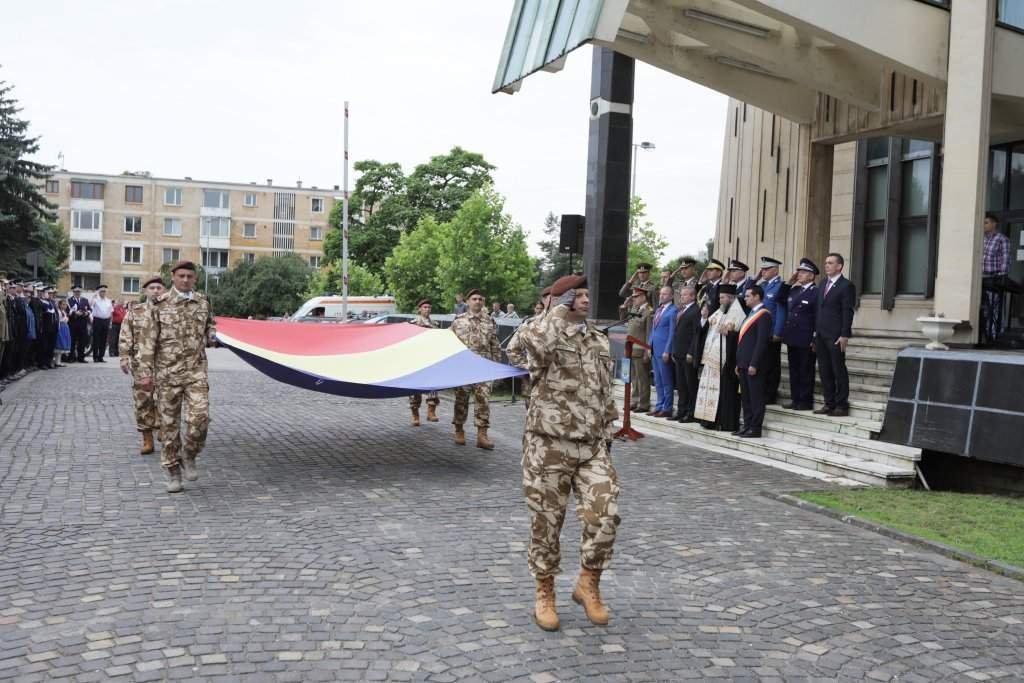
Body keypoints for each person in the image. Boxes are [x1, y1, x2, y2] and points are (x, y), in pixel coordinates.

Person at [517, 274, 620, 631]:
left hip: (591, 446)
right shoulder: (540, 329)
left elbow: (605, 392)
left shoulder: (599, 341)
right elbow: (531, 352)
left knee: (605, 513)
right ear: (561, 299)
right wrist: (554, 313)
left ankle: (588, 582)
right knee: (547, 524)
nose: (586, 300)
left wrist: (608, 430)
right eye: (578, 294)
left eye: (589, 294)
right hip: (548, 445)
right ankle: (544, 591)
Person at [137, 261, 217, 493]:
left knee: (200, 418)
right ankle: (173, 472)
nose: (185, 280)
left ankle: (189, 453)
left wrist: (212, 334)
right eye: (181, 276)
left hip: (195, 372)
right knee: (169, 428)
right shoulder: (158, 305)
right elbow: (147, 341)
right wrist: (145, 373)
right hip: (167, 375)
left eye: (189, 276)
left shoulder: (202, 302)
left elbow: (210, 324)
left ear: (195, 279)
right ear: (173, 277)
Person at [450, 289, 501, 450]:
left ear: (483, 302)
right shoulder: (458, 321)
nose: (477, 301)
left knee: (483, 400)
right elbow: (449, 345)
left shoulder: (489, 321)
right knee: (461, 400)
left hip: (483, 367)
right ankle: (459, 429)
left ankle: (482, 435)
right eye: (474, 299)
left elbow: (495, 345)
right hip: (463, 367)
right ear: (468, 302)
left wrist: (497, 367)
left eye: (480, 299)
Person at [120, 276, 166, 455]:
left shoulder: (170, 310)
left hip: (166, 363)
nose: (156, 291)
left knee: (166, 398)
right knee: (143, 400)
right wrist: (124, 357)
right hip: (141, 364)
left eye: (159, 288)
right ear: (145, 291)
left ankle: (164, 429)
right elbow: (126, 335)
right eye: (152, 288)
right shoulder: (135, 311)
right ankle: (147, 439)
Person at [693, 285, 744, 431]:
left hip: (724, 360)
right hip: (711, 358)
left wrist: (728, 333)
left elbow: (735, 335)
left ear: (731, 298)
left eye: (722, 297)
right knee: (709, 391)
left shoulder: (737, 313)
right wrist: (703, 317)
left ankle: (722, 421)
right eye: (720, 297)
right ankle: (708, 420)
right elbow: (707, 326)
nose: (720, 300)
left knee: (722, 393)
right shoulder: (720, 311)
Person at [815, 253, 856, 417]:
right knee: (824, 370)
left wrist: (844, 334)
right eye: (826, 262)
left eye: (830, 263)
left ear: (839, 266)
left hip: (835, 335)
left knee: (838, 370)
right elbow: (819, 310)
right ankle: (829, 402)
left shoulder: (846, 286)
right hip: (820, 334)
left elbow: (848, 311)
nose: (826, 265)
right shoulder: (823, 283)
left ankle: (841, 405)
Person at [736, 285, 773, 438]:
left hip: (754, 364)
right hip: (744, 362)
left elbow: (761, 341)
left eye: (748, 296)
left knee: (756, 397)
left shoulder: (764, 314)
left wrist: (754, 363)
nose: (745, 298)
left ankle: (755, 428)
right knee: (746, 397)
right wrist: (739, 363)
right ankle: (747, 424)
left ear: (757, 296)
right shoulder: (751, 313)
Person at [782, 259, 819, 411]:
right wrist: (788, 283)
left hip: (806, 337)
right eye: (799, 272)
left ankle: (805, 401)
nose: (799, 274)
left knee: (806, 370)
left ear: (811, 276)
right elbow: (780, 298)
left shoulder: (816, 292)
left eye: (803, 272)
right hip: (792, 336)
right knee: (794, 369)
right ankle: (795, 398)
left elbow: (818, 316)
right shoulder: (794, 290)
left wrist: (815, 338)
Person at [507, 287, 552, 410]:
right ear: (545, 300)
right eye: (552, 297)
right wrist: (528, 366)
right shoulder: (531, 324)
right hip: (534, 385)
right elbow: (512, 350)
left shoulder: (572, 324)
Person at [756, 256, 787, 405]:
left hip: (771, 333)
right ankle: (762, 391)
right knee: (761, 363)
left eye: (766, 269)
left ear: (775, 270)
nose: (763, 271)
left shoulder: (780, 286)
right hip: (760, 331)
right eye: (762, 268)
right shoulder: (762, 286)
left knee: (772, 364)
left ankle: (770, 393)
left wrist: (778, 332)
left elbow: (781, 311)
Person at [671, 285, 702, 422]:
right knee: (681, 384)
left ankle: (691, 412)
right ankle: (681, 410)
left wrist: (691, 352)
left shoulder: (696, 310)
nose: (682, 297)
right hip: (679, 352)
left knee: (690, 384)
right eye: (681, 295)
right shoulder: (682, 310)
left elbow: (696, 334)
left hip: (688, 354)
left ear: (692, 296)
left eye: (685, 295)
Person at [408, 299, 440, 426]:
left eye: (429, 307)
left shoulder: (435, 324)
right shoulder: (414, 324)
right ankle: (415, 415)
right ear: (419, 309)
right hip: (416, 359)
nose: (427, 309)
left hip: (431, 358)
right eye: (425, 307)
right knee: (415, 387)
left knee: (433, 386)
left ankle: (431, 412)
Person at [981, 212, 1012, 344]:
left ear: (994, 224)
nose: (983, 225)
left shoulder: (1001, 239)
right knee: (984, 309)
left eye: (986, 222)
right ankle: (985, 336)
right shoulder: (981, 239)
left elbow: (1005, 259)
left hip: (994, 279)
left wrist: (1001, 277)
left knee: (995, 309)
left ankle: (995, 337)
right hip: (981, 279)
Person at [621, 287, 653, 413]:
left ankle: (644, 403)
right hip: (630, 348)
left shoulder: (648, 312)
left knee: (642, 378)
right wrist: (624, 307)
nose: (633, 299)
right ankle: (634, 400)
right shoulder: (634, 309)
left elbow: (648, 332)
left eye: (636, 297)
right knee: (633, 377)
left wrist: (647, 351)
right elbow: (622, 320)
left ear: (643, 297)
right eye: (633, 297)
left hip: (640, 349)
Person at [647, 285, 676, 418]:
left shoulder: (673, 310)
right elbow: (653, 330)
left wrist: (668, 350)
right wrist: (649, 346)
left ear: (671, 296)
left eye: (665, 294)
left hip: (664, 350)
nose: (661, 296)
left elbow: (672, 332)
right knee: (657, 380)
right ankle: (659, 405)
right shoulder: (659, 309)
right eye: (660, 294)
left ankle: (667, 407)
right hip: (654, 349)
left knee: (666, 380)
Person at [90, 284, 114, 362]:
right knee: (96, 339)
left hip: (106, 321)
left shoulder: (108, 300)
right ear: (99, 292)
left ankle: (101, 357)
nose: (103, 293)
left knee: (103, 340)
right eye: (101, 291)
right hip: (97, 320)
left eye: (104, 291)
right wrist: (94, 296)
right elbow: (90, 305)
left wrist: (110, 322)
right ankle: (95, 357)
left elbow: (111, 312)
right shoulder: (95, 300)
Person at [67, 286, 91, 363]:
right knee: (72, 341)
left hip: (82, 323)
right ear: (73, 292)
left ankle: (81, 357)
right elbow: (68, 311)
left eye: (79, 292)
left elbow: (90, 310)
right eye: (76, 292)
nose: (77, 293)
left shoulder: (85, 300)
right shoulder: (69, 300)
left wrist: (87, 313)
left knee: (82, 341)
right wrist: (75, 312)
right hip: (73, 323)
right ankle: (71, 357)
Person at [54, 299, 71, 367]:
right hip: (60, 328)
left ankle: (59, 361)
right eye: (63, 304)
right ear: (59, 305)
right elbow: (59, 320)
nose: (65, 306)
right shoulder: (58, 311)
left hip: (65, 328)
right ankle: (56, 361)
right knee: (59, 344)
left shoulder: (64, 311)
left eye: (65, 304)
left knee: (62, 345)